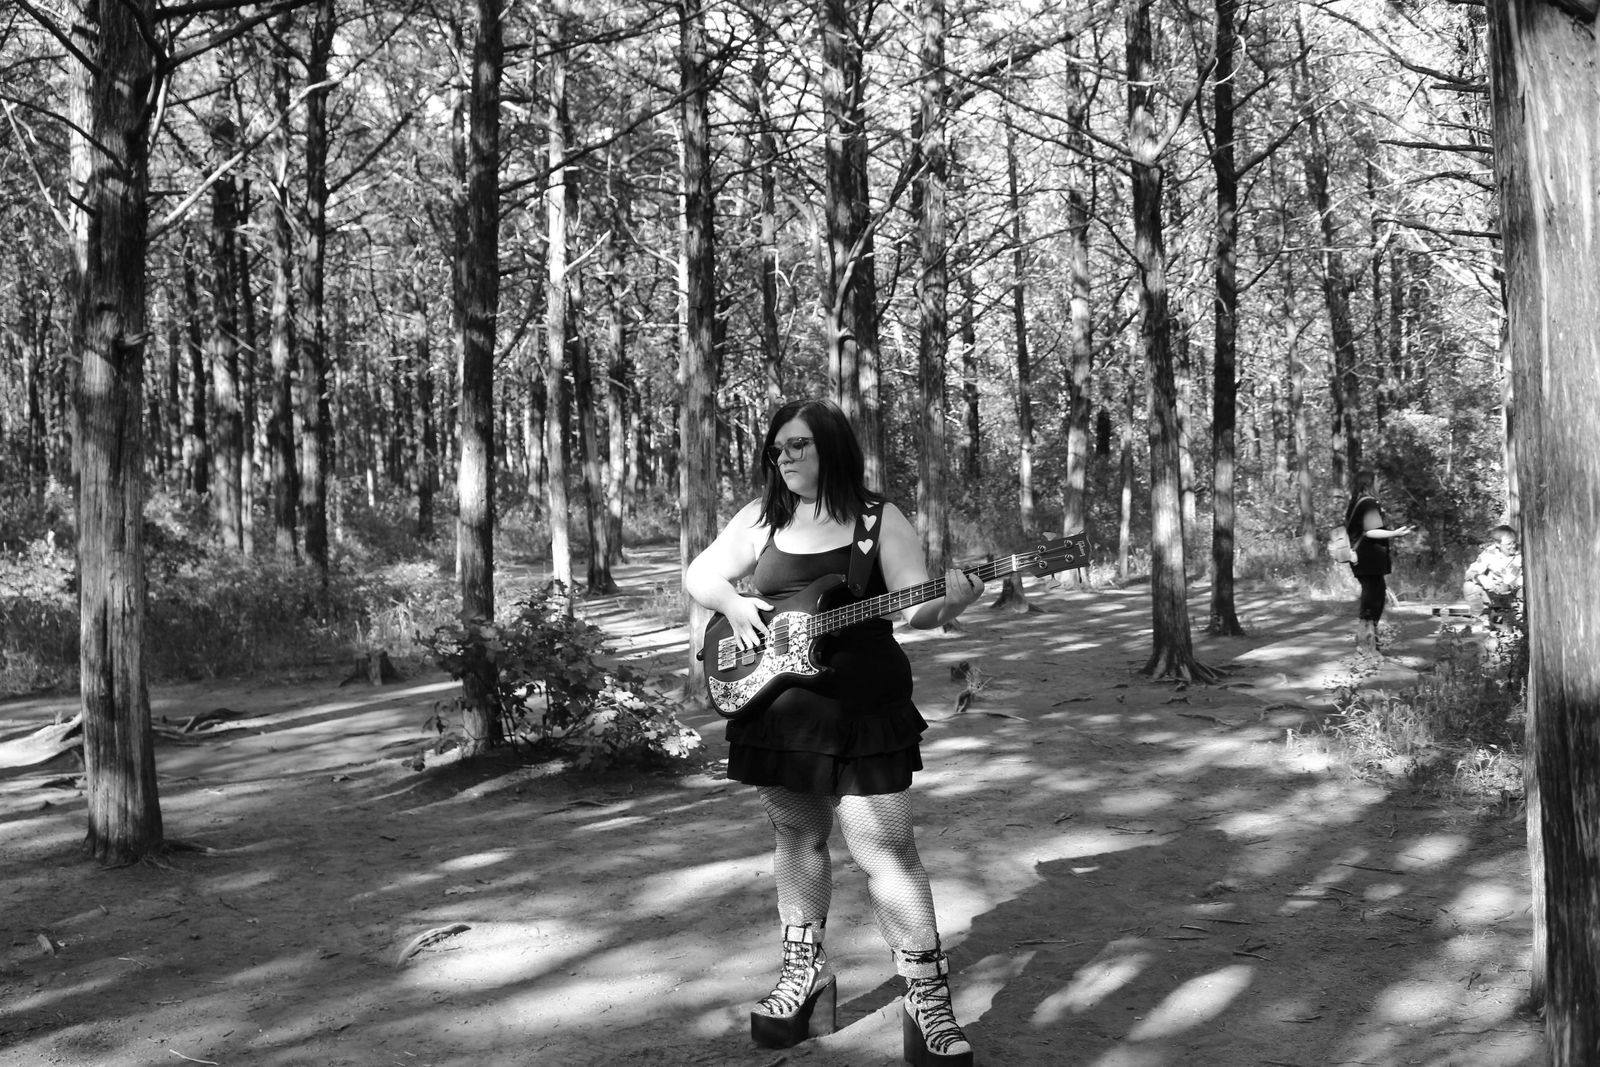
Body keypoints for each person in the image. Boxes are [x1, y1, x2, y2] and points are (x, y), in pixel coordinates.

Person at [685, 398, 983, 1066]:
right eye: (777, 448)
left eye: (798, 445)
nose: (784, 457)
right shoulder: (763, 517)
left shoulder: (879, 520)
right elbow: (701, 573)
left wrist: (953, 601)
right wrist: (732, 602)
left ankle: (925, 996)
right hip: (779, 710)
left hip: (864, 710)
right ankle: (805, 975)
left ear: (833, 447)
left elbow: (918, 606)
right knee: (797, 836)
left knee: (889, 851)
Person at [1344, 470, 1415, 655]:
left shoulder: (1356, 502)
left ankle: (1370, 644)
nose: (1380, 483)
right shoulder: (1368, 503)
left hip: (1361, 559)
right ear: (1369, 483)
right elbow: (1371, 531)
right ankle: (1366, 645)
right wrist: (1395, 533)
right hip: (1368, 559)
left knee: (1374, 596)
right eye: (1377, 480)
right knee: (1373, 599)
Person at [1463, 524, 1522, 623]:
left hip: (1514, 595)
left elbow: (1526, 581)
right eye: (1508, 544)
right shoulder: (1490, 552)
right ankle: (1480, 618)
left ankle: (1516, 619)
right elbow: (1469, 574)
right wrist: (1480, 578)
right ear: (1498, 544)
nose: (1513, 546)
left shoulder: (1522, 554)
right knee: (1469, 586)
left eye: (1514, 542)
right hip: (1494, 595)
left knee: (1506, 624)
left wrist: (1509, 587)